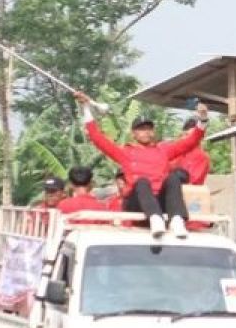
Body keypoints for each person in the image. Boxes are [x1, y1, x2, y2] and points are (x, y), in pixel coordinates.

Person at [76, 92, 207, 238]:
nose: (146, 132)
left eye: (148, 129)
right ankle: (155, 219)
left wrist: (202, 119)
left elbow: (190, 142)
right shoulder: (125, 152)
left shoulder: (163, 150)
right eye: (141, 129)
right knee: (142, 182)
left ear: (153, 132)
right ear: (134, 134)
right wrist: (86, 107)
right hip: (136, 203)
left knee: (172, 179)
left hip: (160, 201)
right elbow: (98, 138)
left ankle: (176, 220)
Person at [170, 117, 211, 186]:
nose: (185, 138)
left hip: (189, 193)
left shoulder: (201, 157)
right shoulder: (176, 153)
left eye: (190, 135)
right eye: (185, 135)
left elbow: (193, 182)